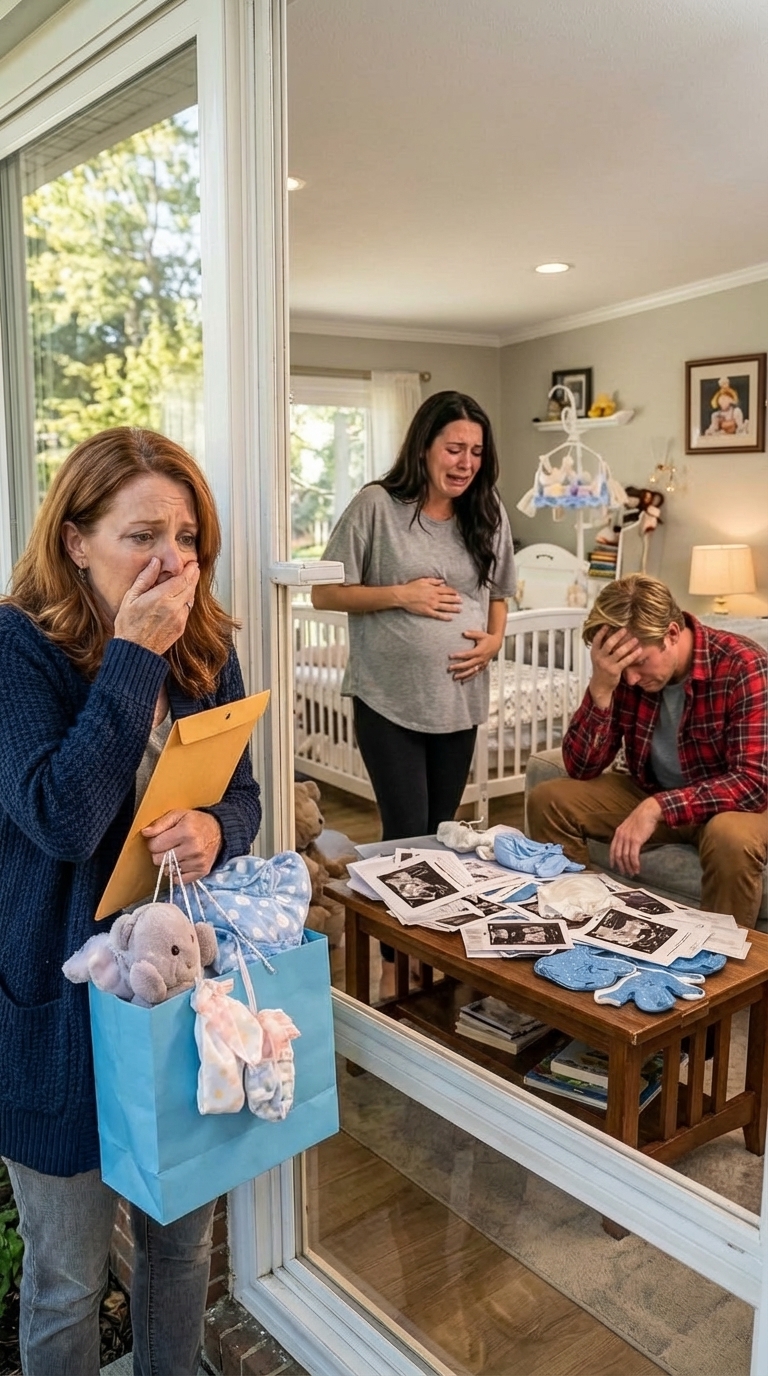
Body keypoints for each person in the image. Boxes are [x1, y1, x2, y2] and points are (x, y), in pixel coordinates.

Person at [0, 427, 261, 1376]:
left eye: (186, 538)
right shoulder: (18, 649)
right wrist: (133, 655)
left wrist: (218, 830)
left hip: (181, 999)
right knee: (67, 1280)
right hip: (58, 1004)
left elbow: (244, 794)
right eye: (142, 535)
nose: (172, 561)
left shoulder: (206, 645)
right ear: (75, 541)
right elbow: (61, 820)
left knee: (180, 1250)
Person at [311, 391, 516, 968]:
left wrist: (495, 640)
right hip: (388, 697)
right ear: (424, 446)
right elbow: (325, 592)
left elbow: (500, 593)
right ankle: (396, 953)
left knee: (443, 833)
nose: (465, 462)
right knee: (405, 830)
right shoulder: (376, 505)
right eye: (454, 448)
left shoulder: (488, 511)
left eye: (476, 451)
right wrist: (400, 594)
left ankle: (430, 951)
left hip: (459, 699)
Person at [527, 574, 768, 928]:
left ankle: (723, 958)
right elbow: (581, 767)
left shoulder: (743, 665)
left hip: (737, 807)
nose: (632, 679)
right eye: (622, 668)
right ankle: (583, 929)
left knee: (730, 837)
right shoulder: (624, 675)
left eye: (639, 663)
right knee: (549, 799)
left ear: (672, 633)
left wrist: (657, 808)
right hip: (656, 792)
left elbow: (752, 782)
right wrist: (601, 688)